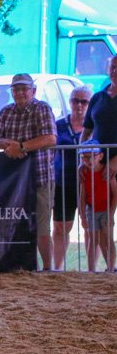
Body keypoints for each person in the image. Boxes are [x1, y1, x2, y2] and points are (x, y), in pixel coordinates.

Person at [0, 73, 58, 271]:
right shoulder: (5, 111)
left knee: (42, 227)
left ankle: (47, 268)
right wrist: (8, 144)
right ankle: (23, 266)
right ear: (11, 92)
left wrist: (22, 146)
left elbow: (51, 138)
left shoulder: (42, 108)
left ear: (33, 91)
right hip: (12, 181)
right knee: (14, 226)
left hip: (40, 177)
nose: (20, 93)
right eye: (16, 89)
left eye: (24, 89)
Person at [53, 85, 93, 270]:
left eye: (84, 101)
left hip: (90, 183)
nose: (79, 105)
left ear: (90, 104)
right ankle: (58, 269)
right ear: (70, 102)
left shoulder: (95, 126)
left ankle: (92, 269)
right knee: (61, 228)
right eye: (75, 100)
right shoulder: (58, 125)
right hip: (63, 184)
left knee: (91, 228)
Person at [77, 143, 117, 271]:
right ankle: (91, 270)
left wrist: (111, 215)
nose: (88, 161)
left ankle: (110, 269)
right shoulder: (85, 175)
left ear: (100, 156)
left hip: (106, 210)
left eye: (91, 157)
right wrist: (82, 216)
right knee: (92, 240)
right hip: (92, 210)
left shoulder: (108, 173)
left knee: (108, 238)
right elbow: (82, 197)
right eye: (84, 158)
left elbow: (115, 195)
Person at [81, 54, 117, 177]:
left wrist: (115, 161)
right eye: (113, 67)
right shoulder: (97, 98)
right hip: (98, 166)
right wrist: (83, 158)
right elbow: (86, 132)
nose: (115, 71)